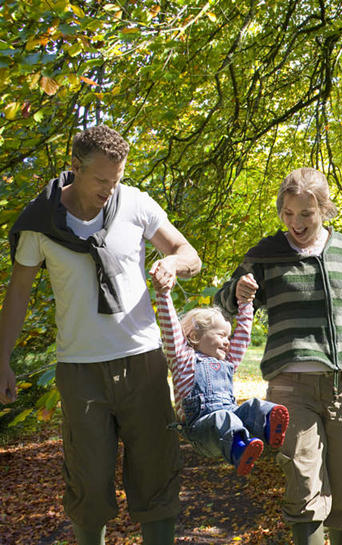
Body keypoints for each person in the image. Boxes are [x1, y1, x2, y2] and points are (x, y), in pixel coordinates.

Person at [0, 125, 202, 545]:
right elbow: (18, 294)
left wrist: (172, 265)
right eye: (101, 180)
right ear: (75, 167)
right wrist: (2, 359)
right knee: (88, 486)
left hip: (143, 363)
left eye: (117, 179)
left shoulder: (135, 203)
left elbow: (189, 254)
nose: (110, 190)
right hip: (80, 372)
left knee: (157, 480)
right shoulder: (40, 222)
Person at [214, 167, 342, 545]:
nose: (296, 222)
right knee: (304, 483)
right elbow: (224, 302)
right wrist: (236, 291)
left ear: (324, 209)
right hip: (290, 389)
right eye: (288, 213)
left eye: (305, 213)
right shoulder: (266, 255)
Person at [150, 268, 289, 476]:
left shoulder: (228, 362)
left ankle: (269, 429)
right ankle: (239, 450)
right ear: (195, 336)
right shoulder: (183, 360)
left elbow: (243, 334)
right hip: (202, 430)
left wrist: (246, 303)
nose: (227, 342)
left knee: (253, 406)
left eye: (228, 337)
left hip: (230, 421)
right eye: (221, 335)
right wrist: (163, 294)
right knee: (222, 418)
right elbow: (170, 327)